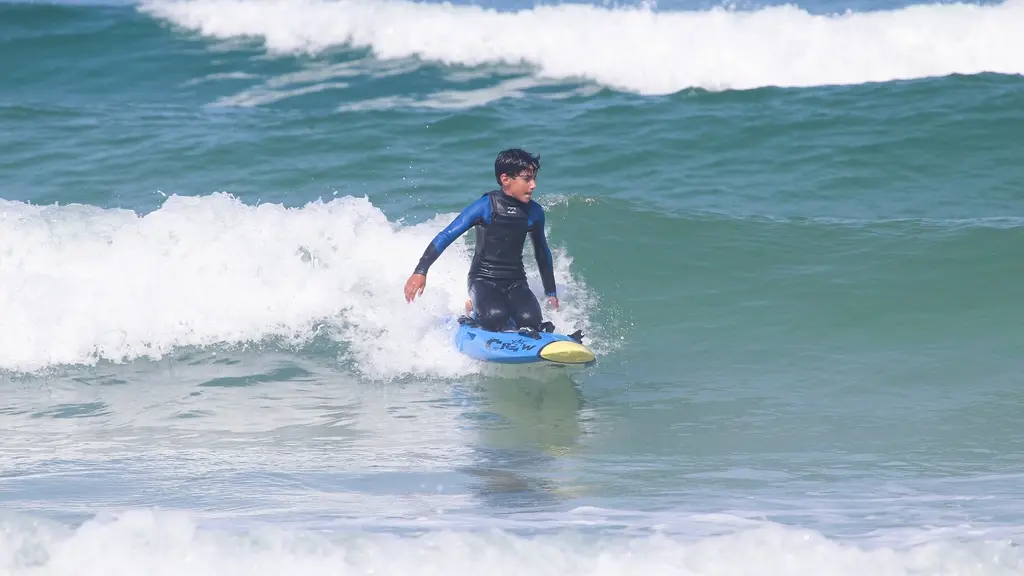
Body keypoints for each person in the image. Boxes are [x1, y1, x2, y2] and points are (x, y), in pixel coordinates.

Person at [404, 148, 559, 333]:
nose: (533, 185)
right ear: (505, 179)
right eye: (527, 179)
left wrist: (551, 292)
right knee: (494, 317)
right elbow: (446, 235)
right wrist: (420, 271)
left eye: (534, 178)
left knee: (530, 320)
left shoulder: (535, 212)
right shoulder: (486, 206)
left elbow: (542, 252)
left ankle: (505, 312)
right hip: (483, 279)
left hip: (516, 280)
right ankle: (473, 309)